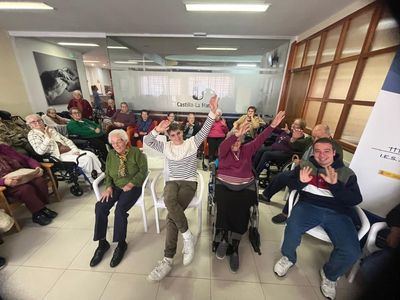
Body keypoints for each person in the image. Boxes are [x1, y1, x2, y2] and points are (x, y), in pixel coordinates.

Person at [274, 138, 362, 300]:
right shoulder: (306, 166)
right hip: (308, 206)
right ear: (313, 152)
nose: (321, 155)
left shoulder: (346, 173)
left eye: (326, 151)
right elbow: (289, 184)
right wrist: (300, 182)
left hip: (338, 213)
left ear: (334, 153)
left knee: (352, 251)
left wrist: (335, 185)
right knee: (292, 227)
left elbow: (355, 200)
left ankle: (330, 275)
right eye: (317, 151)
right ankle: (288, 258)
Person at [144, 95, 218, 282]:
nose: (176, 137)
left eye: (178, 134)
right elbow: (148, 142)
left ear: (182, 133)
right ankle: (188, 238)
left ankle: (167, 259)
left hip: (188, 182)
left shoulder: (192, 143)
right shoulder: (166, 146)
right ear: (168, 135)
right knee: (170, 201)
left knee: (171, 216)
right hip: (172, 182)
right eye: (172, 135)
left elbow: (206, 129)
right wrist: (156, 130)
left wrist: (212, 111)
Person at [214, 111, 285, 272]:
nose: (236, 144)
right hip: (225, 184)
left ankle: (235, 247)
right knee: (224, 204)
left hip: (245, 186)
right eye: (233, 141)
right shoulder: (224, 151)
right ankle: (224, 239)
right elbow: (224, 145)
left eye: (239, 141)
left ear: (242, 140)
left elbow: (260, 140)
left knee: (243, 208)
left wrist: (273, 125)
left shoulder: (247, 149)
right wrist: (234, 134)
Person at [260, 124, 343, 224]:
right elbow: (298, 147)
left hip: (318, 176)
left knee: (296, 185)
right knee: (281, 176)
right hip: (304, 168)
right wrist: (300, 160)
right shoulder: (312, 142)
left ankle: (286, 213)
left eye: (319, 137)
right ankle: (266, 196)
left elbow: (328, 167)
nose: (315, 140)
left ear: (329, 136)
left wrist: (305, 166)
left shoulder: (335, 148)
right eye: (313, 137)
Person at [90, 129, 148, 268]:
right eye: (113, 143)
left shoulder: (136, 153)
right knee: (100, 207)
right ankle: (102, 243)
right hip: (115, 187)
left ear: (125, 140)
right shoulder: (111, 155)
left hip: (133, 187)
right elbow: (108, 172)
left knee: (120, 210)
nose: (117, 145)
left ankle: (121, 244)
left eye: (119, 141)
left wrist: (131, 183)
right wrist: (108, 186)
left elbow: (143, 171)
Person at [27, 114, 102, 182]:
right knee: (85, 159)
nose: (37, 123)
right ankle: (92, 180)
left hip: (68, 150)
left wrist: (74, 149)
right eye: (33, 122)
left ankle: (99, 175)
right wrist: (47, 137)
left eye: (39, 120)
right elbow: (40, 151)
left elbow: (66, 140)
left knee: (91, 154)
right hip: (57, 155)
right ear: (30, 125)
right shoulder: (32, 135)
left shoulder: (50, 129)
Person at [0, 143, 58, 226]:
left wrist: (37, 167)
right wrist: (4, 181)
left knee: (40, 181)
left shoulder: (4, 148)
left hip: (23, 175)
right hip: (7, 185)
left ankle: (43, 208)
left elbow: (27, 159)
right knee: (26, 189)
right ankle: (37, 214)